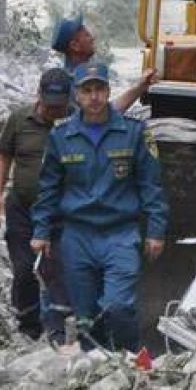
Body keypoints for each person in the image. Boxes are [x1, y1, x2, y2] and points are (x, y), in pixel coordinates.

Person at [30, 62, 168, 352]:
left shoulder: (133, 133)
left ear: (108, 91)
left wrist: (156, 230)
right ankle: (95, 363)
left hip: (120, 233)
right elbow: (48, 189)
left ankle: (129, 356)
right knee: (85, 316)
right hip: (77, 235)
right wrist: (41, 231)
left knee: (118, 306)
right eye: (86, 90)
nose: (94, 97)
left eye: (100, 89)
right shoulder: (61, 136)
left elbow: (151, 185)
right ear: (76, 95)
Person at [0, 68, 74, 342]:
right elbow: (3, 157)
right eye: (49, 106)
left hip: (61, 213)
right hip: (22, 209)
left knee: (57, 269)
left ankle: (58, 329)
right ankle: (28, 324)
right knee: (24, 269)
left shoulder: (77, 121)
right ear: (39, 95)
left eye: (59, 107)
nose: (53, 112)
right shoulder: (20, 119)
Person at [50, 14, 158, 113]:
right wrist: (140, 87)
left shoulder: (82, 73)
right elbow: (104, 115)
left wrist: (141, 86)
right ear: (75, 46)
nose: (92, 38)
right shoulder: (71, 83)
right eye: (87, 35)